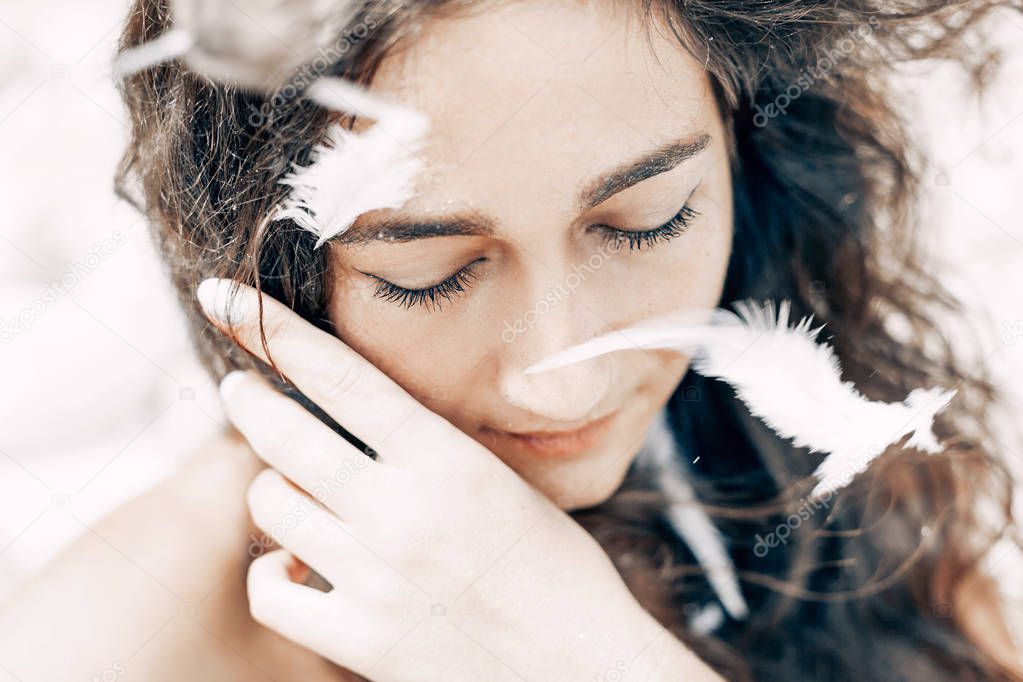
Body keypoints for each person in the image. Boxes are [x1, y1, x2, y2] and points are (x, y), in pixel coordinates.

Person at [1, 0, 1020, 680]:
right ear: (267, 270)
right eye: (427, 274)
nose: (562, 382)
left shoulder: (819, 460)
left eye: (649, 219)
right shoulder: (119, 638)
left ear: (748, 153)